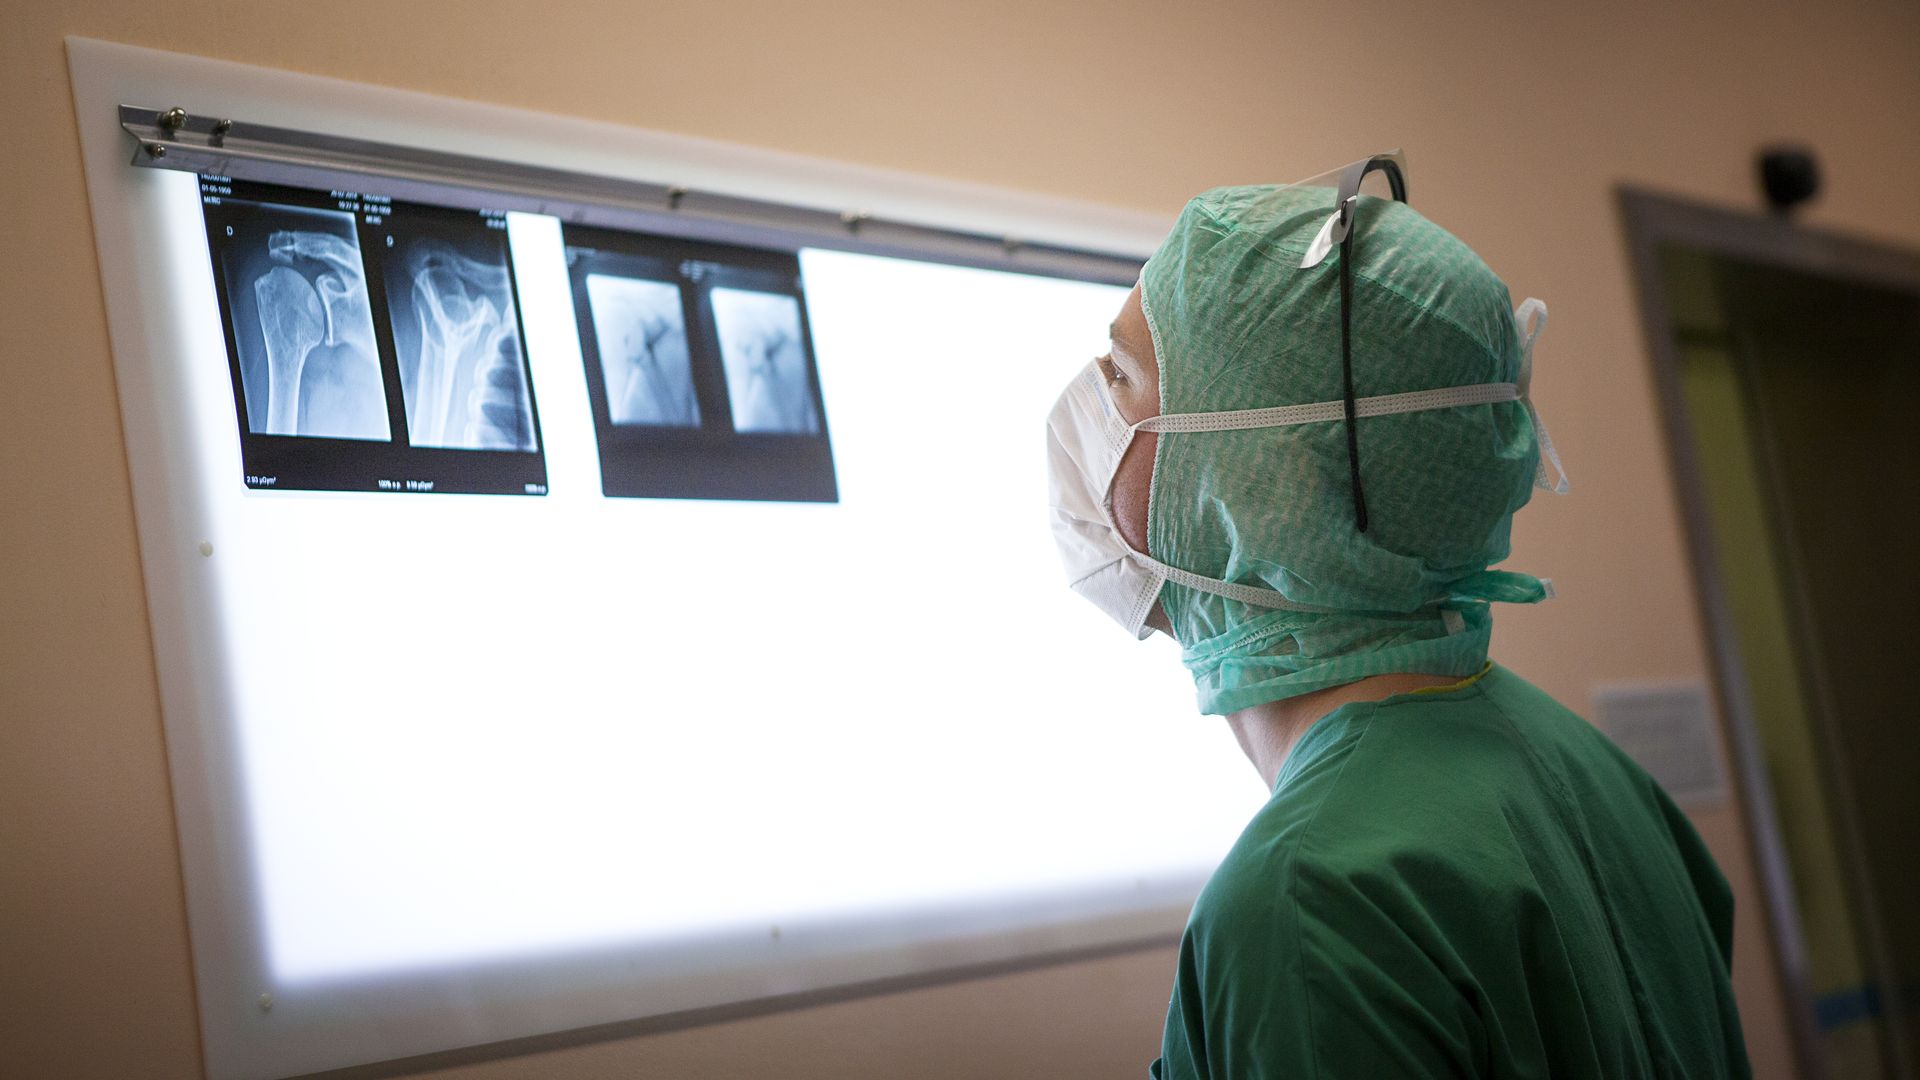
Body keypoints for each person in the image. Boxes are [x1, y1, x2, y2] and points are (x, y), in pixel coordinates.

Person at [1045, 165, 1751, 1078]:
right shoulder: (1595, 773)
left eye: (1123, 376)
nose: (1087, 403)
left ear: (1264, 482)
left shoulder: (1311, 898)